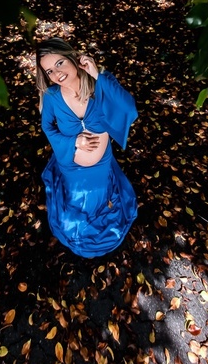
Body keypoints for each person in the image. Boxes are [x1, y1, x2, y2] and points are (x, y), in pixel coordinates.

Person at [35, 38, 138, 257]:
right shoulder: (52, 97)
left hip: (101, 164)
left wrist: (96, 75)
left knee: (100, 205)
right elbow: (47, 127)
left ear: (73, 57)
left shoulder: (99, 83)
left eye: (60, 63)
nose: (57, 74)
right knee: (78, 216)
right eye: (50, 71)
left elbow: (128, 108)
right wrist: (73, 142)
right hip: (71, 168)